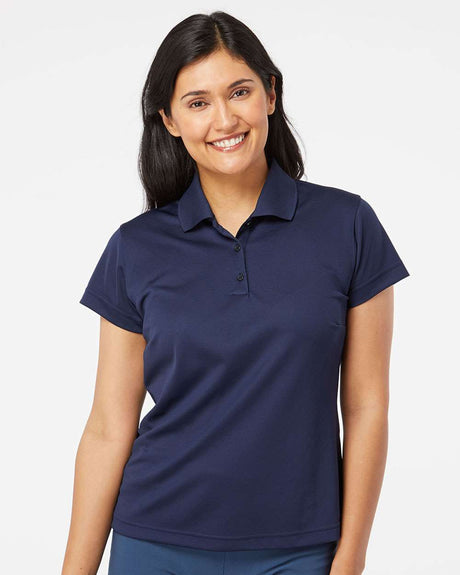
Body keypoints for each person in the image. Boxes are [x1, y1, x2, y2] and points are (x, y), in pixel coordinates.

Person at [61, 10, 410, 575]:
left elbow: (367, 405)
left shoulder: (347, 225)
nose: (224, 119)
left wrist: (350, 557)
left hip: (300, 549)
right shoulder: (136, 246)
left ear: (270, 94)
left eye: (239, 92)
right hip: (155, 543)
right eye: (197, 102)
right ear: (170, 120)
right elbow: (107, 426)